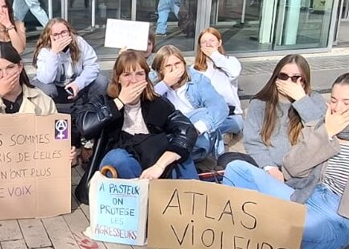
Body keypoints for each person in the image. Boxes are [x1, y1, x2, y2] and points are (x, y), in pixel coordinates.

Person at [225, 71, 349, 249]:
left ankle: (252, 220)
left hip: (335, 218)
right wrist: (326, 134)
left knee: (288, 230)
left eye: (346, 102)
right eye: (333, 100)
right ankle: (255, 220)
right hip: (304, 195)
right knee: (237, 169)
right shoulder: (320, 126)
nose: (337, 108)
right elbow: (291, 168)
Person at [76, 49, 199, 181]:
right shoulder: (104, 101)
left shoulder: (156, 102)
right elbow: (85, 126)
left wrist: (160, 164)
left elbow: (186, 129)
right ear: (118, 78)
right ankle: (139, 197)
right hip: (121, 161)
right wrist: (120, 101)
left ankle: (191, 196)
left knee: (181, 155)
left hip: (153, 159)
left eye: (139, 74)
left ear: (146, 78)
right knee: (118, 159)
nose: (134, 80)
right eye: (127, 74)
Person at [223, 54, 326, 179]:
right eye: (283, 76)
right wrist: (269, 167)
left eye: (295, 78)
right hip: (269, 167)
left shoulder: (313, 100)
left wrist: (300, 99)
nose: (288, 82)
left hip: (303, 170)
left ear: (304, 81)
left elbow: (322, 133)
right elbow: (253, 141)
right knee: (227, 160)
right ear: (276, 77)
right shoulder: (260, 103)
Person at [151, 45, 228, 162]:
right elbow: (145, 104)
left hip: (194, 127)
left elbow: (220, 107)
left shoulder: (198, 79)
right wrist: (165, 84)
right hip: (169, 129)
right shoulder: (153, 81)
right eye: (168, 66)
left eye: (177, 64)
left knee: (204, 115)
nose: (174, 69)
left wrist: (195, 129)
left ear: (184, 63)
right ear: (161, 70)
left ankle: (184, 157)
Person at [32, 18, 104, 105]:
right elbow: (46, 79)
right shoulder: (45, 50)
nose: (60, 37)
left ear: (69, 32)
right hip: (55, 87)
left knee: (101, 81)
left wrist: (78, 84)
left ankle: (91, 110)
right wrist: (54, 53)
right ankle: (51, 113)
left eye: (63, 32)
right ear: (50, 36)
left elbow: (92, 66)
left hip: (75, 85)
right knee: (47, 89)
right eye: (55, 34)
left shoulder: (79, 42)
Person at [192, 27, 242, 137]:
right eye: (204, 42)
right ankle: (219, 135)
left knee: (236, 123)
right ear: (200, 47)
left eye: (212, 40)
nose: (208, 44)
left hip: (229, 114)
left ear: (219, 43)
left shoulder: (230, 61)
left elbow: (234, 72)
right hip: (205, 113)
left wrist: (214, 55)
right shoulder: (195, 69)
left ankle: (214, 134)